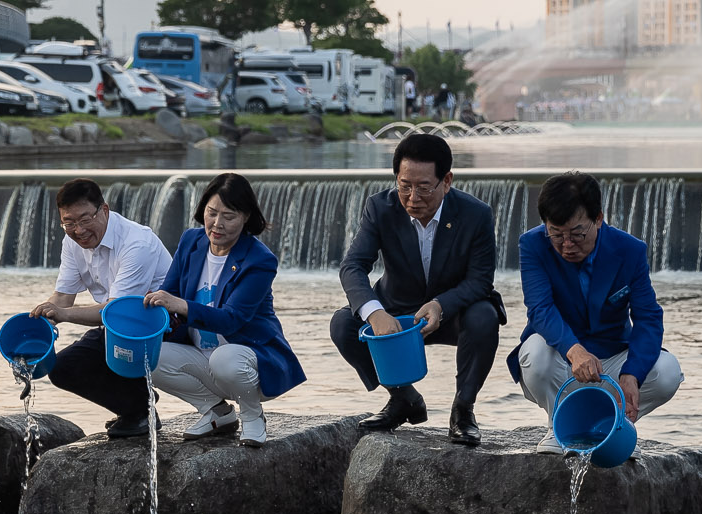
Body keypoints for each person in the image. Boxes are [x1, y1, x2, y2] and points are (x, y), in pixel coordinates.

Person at [328, 132, 504, 447]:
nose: (412, 197)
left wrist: (440, 305)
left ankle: (463, 410)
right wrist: (375, 313)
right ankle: (403, 398)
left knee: (485, 317)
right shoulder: (379, 208)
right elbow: (352, 266)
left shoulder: (476, 214)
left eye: (423, 187)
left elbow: (480, 280)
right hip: (395, 310)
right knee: (344, 324)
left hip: (451, 312)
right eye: (404, 186)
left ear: (447, 181)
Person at [509, 170, 680, 448]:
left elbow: (648, 318)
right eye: (556, 234)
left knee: (667, 371)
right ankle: (559, 425)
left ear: (598, 218)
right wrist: (574, 350)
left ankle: (610, 425)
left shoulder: (630, 250)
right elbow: (540, 309)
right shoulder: (532, 244)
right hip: (560, 358)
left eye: (577, 234)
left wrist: (632, 374)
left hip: (610, 358)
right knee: (534, 355)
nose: (566, 245)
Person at [143, 171, 303, 446]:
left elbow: (231, 320)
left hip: (248, 359)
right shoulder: (191, 241)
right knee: (148, 354)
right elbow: (169, 295)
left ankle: (253, 416)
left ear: (246, 218)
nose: (217, 224)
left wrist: (178, 304)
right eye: (212, 212)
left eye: (229, 216)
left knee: (225, 359)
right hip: (200, 355)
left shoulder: (260, 260)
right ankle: (216, 412)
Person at [30, 177, 170, 440]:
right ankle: (137, 409)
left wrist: (64, 315)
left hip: (160, 324)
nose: (78, 230)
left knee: (115, 352)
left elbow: (117, 311)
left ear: (104, 210)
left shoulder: (137, 243)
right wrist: (39, 327)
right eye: (68, 223)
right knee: (62, 368)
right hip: (115, 324)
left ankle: (142, 407)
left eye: (85, 220)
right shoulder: (71, 241)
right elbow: (62, 297)